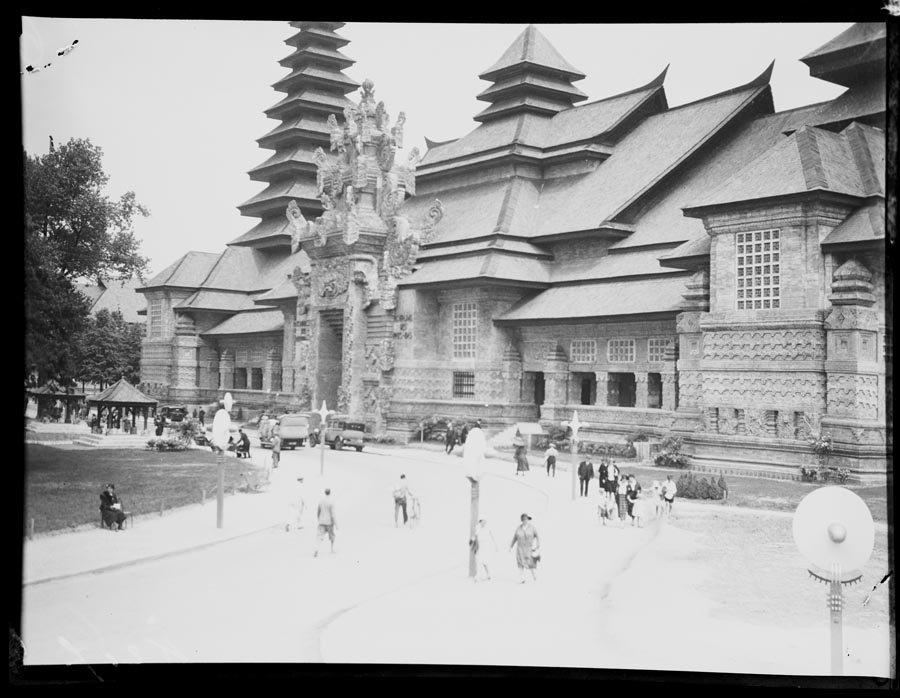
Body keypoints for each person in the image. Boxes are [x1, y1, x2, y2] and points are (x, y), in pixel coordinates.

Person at [509, 513, 540, 583]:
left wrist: (538, 544)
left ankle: (535, 578)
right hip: (520, 549)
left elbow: (537, 536)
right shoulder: (518, 528)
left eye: (527, 519)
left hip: (528, 548)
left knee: (530, 564)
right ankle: (520, 579)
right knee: (520, 564)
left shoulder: (532, 527)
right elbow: (515, 538)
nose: (526, 521)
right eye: (524, 519)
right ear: (522, 520)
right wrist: (511, 546)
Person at [314, 488, 337, 557]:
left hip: (321, 521)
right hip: (329, 522)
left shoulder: (321, 501)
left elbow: (318, 512)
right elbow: (333, 514)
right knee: (332, 536)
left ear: (325, 492)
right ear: (330, 493)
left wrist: (319, 519)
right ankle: (332, 549)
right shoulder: (331, 501)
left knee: (319, 536)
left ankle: (316, 550)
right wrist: (335, 524)